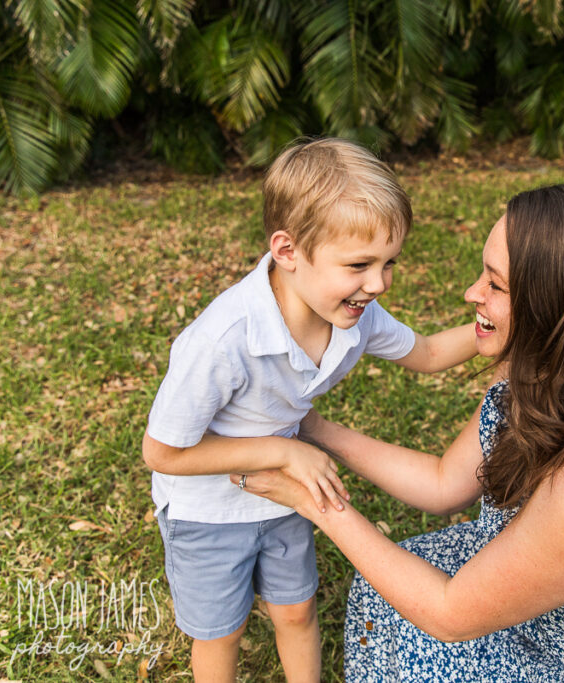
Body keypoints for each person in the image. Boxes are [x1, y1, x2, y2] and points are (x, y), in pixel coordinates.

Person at [236, 181, 564, 681]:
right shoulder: (547, 368)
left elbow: (449, 613)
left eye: (496, 285)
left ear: (559, 308)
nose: (471, 293)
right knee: (394, 581)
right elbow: (442, 484)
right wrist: (313, 427)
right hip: (561, 620)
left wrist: (312, 499)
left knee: (424, 625)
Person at [141, 138, 477, 683]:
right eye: (359, 264)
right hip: (208, 510)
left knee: (296, 609)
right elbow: (162, 452)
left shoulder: (355, 312)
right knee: (221, 633)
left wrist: (503, 330)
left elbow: (430, 352)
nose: (378, 284)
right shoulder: (226, 339)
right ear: (289, 251)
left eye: (389, 263)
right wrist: (285, 449)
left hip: (287, 495)